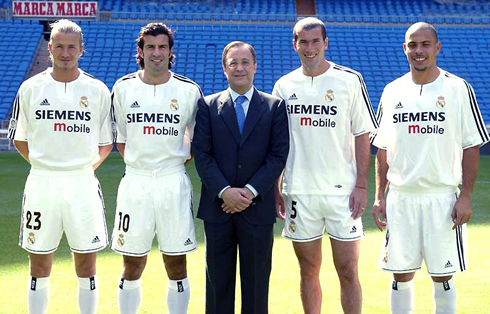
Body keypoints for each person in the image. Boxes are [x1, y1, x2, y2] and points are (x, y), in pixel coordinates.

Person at [371, 22, 489, 314]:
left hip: (442, 196)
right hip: (401, 197)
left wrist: (466, 196)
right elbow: (382, 148)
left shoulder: (457, 88)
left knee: (442, 274)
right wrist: (379, 195)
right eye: (413, 45)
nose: (418, 51)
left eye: (425, 44)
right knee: (400, 274)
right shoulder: (392, 90)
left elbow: (471, 145)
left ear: (437, 48)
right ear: (405, 49)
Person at [272, 17, 377, 314]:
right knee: (308, 270)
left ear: (326, 43)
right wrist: (276, 187)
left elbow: (361, 134)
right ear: (295, 45)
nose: (310, 47)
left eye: (315, 41)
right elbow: (279, 142)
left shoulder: (349, 80)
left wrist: (360, 185)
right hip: (300, 192)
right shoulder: (284, 85)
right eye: (303, 42)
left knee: (347, 269)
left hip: (341, 192)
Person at [7, 19, 113, 314]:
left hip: (82, 184)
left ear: (82, 49)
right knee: (39, 261)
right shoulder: (31, 88)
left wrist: (80, 168)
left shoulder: (97, 90)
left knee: (87, 261)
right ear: (50, 48)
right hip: (42, 183)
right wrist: (47, 165)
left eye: (72, 47)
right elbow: (20, 139)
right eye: (59, 46)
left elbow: (106, 144)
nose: (65, 53)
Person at [110, 22, 201, 314]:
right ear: (141, 50)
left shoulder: (188, 90)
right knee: (132, 261)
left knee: (176, 261)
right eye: (150, 46)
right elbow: (121, 140)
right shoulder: (124, 88)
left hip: (173, 182)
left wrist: (168, 162)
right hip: (135, 183)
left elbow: (195, 141)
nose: (157, 52)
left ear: (171, 51)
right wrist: (143, 163)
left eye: (163, 46)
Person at [192, 41, 289, 314]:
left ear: (255, 66)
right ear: (224, 68)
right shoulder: (208, 106)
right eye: (233, 62)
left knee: (257, 287)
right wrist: (225, 191)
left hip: (257, 209)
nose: (239, 68)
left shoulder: (274, 106)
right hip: (218, 208)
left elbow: (278, 156)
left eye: (245, 62)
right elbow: (203, 154)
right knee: (217, 286)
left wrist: (248, 191)